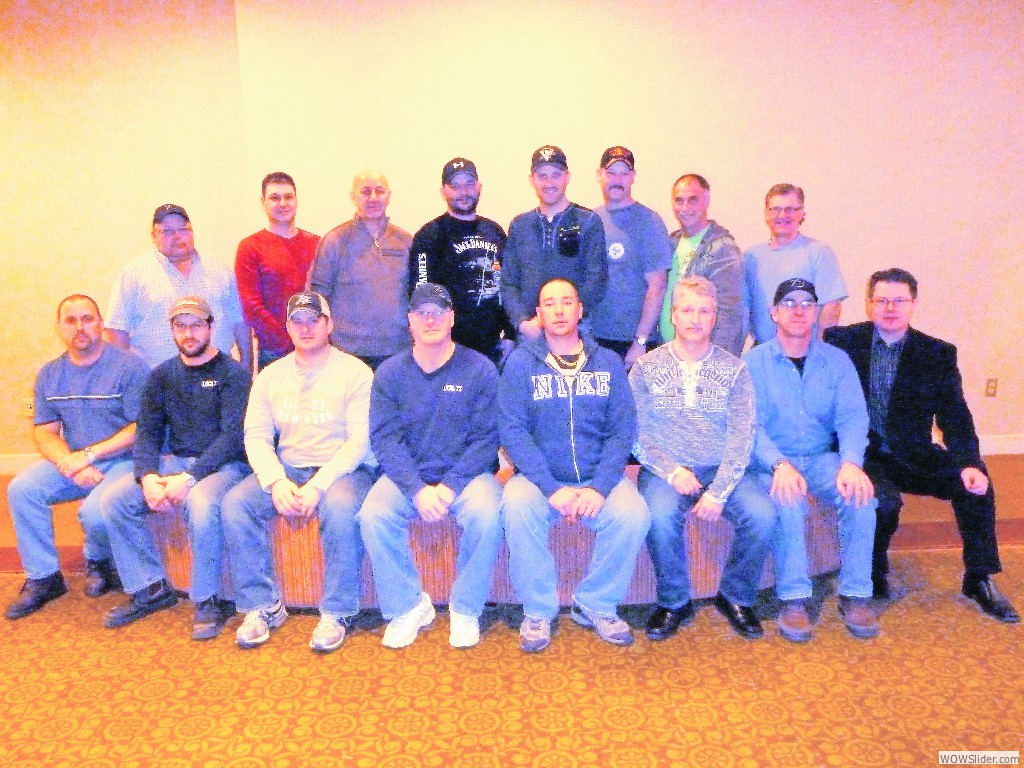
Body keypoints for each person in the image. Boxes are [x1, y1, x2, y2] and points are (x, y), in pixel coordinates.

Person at [825, 268, 1018, 622]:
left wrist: (969, 462)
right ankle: (872, 571)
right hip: (861, 453)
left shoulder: (937, 354)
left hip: (913, 451)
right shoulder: (842, 342)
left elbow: (955, 416)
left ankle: (980, 576)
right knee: (881, 502)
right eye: (882, 300)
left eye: (899, 300)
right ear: (869, 304)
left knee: (975, 485)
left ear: (913, 304)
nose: (890, 308)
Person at [499, 277, 650, 653]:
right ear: (539, 314)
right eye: (550, 303)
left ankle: (595, 602)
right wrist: (552, 488)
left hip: (599, 477)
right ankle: (537, 611)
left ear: (580, 310)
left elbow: (622, 430)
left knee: (634, 514)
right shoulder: (520, 364)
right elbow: (513, 432)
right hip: (539, 482)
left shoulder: (608, 363)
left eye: (567, 302)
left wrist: (599, 487)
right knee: (515, 507)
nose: (559, 310)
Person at [221, 292, 375, 653]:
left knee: (339, 508)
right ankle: (263, 606)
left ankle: (338, 611)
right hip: (288, 466)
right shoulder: (270, 376)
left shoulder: (356, 372)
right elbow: (256, 436)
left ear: (329, 324)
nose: (306, 328)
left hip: (343, 469)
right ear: (288, 328)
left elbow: (359, 441)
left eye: (313, 320)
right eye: (297, 321)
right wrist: (276, 482)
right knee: (235, 504)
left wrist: (319, 486)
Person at [630, 276, 775, 641]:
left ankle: (736, 595)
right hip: (666, 471)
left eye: (704, 311)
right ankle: (674, 601)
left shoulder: (735, 370)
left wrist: (719, 491)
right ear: (673, 316)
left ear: (714, 318)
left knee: (762, 515)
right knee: (659, 517)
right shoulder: (645, 368)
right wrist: (671, 470)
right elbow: (634, 432)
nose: (695, 318)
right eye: (687, 310)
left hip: (722, 468)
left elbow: (744, 435)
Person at [358, 283, 502, 649]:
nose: (430, 319)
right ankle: (408, 606)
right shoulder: (390, 373)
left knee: (488, 515)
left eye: (438, 312)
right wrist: (417, 489)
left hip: (468, 477)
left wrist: (450, 486)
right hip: (409, 477)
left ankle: (466, 608)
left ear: (452, 318)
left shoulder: (480, 369)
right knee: (372, 514)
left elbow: (486, 438)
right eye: (422, 313)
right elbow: (385, 439)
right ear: (409, 321)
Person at [101, 296, 251, 636]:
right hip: (176, 463)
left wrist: (191, 477)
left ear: (211, 328)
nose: (189, 333)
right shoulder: (161, 376)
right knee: (115, 500)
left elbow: (232, 436)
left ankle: (208, 600)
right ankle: (150, 589)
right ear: (172, 331)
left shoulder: (233, 375)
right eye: (181, 326)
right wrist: (147, 476)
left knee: (200, 504)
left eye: (197, 325)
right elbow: (148, 431)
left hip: (225, 467)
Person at [743, 278, 879, 642]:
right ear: (774, 313)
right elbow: (748, 426)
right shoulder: (753, 362)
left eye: (807, 303)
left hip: (821, 459)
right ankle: (794, 599)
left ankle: (856, 593)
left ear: (818, 312)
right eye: (789, 303)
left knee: (861, 496)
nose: (798, 310)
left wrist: (851, 462)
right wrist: (778, 464)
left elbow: (853, 417)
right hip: (772, 462)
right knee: (788, 500)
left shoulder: (837, 362)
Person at [5, 295, 148, 620]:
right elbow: (45, 431)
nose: (80, 327)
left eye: (87, 318)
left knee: (95, 514)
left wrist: (88, 455)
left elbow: (141, 428)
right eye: (71, 321)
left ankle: (97, 559)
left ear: (100, 324)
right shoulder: (50, 374)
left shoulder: (129, 366)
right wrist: (68, 463)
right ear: (59, 328)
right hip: (77, 461)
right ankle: (44, 578)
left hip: (124, 461)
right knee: (22, 489)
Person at [105, 204, 250, 370]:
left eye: (183, 229)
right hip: (155, 383)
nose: (177, 236)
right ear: (153, 236)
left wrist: (245, 369)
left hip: (218, 379)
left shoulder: (220, 270)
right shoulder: (133, 274)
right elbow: (116, 330)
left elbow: (240, 322)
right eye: (167, 231)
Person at [408, 158, 512, 364]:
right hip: (448, 349)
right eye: (455, 186)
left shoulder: (495, 231)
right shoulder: (429, 236)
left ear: (479, 187)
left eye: (469, 184)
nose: (463, 192)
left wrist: (509, 334)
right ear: (443, 191)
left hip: (492, 347)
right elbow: (420, 292)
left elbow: (508, 285)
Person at [500, 146, 607, 343]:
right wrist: (522, 323)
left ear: (567, 177)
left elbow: (597, 279)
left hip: (576, 332)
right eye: (542, 176)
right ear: (532, 180)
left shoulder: (589, 222)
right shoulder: (519, 225)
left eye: (556, 175)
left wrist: (564, 319)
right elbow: (508, 283)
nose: (549, 183)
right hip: (530, 335)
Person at [308, 170, 412, 370]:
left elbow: (415, 293)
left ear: (389, 196)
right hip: (348, 353)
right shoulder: (335, 240)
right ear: (353, 197)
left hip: (397, 350)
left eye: (379, 191)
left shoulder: (405, 240)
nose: (373, 197)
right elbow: (318, 295)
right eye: (365, 191)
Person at [589, 146, 671, 368]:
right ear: (599, 175)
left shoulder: (649, 222)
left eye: (624, 173)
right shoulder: (590, 219)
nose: (618, 179)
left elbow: (657, 286)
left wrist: (640, 342)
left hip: (634, 347)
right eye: (611, 172)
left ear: (633, 177)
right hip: (594, 342)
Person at [235, 172, 320, 371]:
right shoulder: (250, 247)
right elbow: (251, 307)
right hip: (275, 352)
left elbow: (325, 297)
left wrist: (313, 339)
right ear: (263, 202)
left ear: (296, 200)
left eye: (288, 197)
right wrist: (290, 341)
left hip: (316, 348)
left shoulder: (317, 244)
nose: (283, 203)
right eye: (275, 197)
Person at [744, 184, 847, 345]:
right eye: (775, 209)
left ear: (802, 214)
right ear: (766, 214)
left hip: (805, 353)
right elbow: (743, 309)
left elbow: (831, 306)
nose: (783, 215)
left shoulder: (818, 252)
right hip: (763, 355)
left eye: (790, 209)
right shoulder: (751, 257)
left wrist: (818, 351)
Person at [659, 174, 746, 356]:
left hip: (703, 359)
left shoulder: (723, 249)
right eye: (679, 200)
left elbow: (729, 315)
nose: (685, 208)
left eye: (693, 200)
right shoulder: (670, 243)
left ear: (706, 201)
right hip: (670, 355)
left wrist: (716, 364)